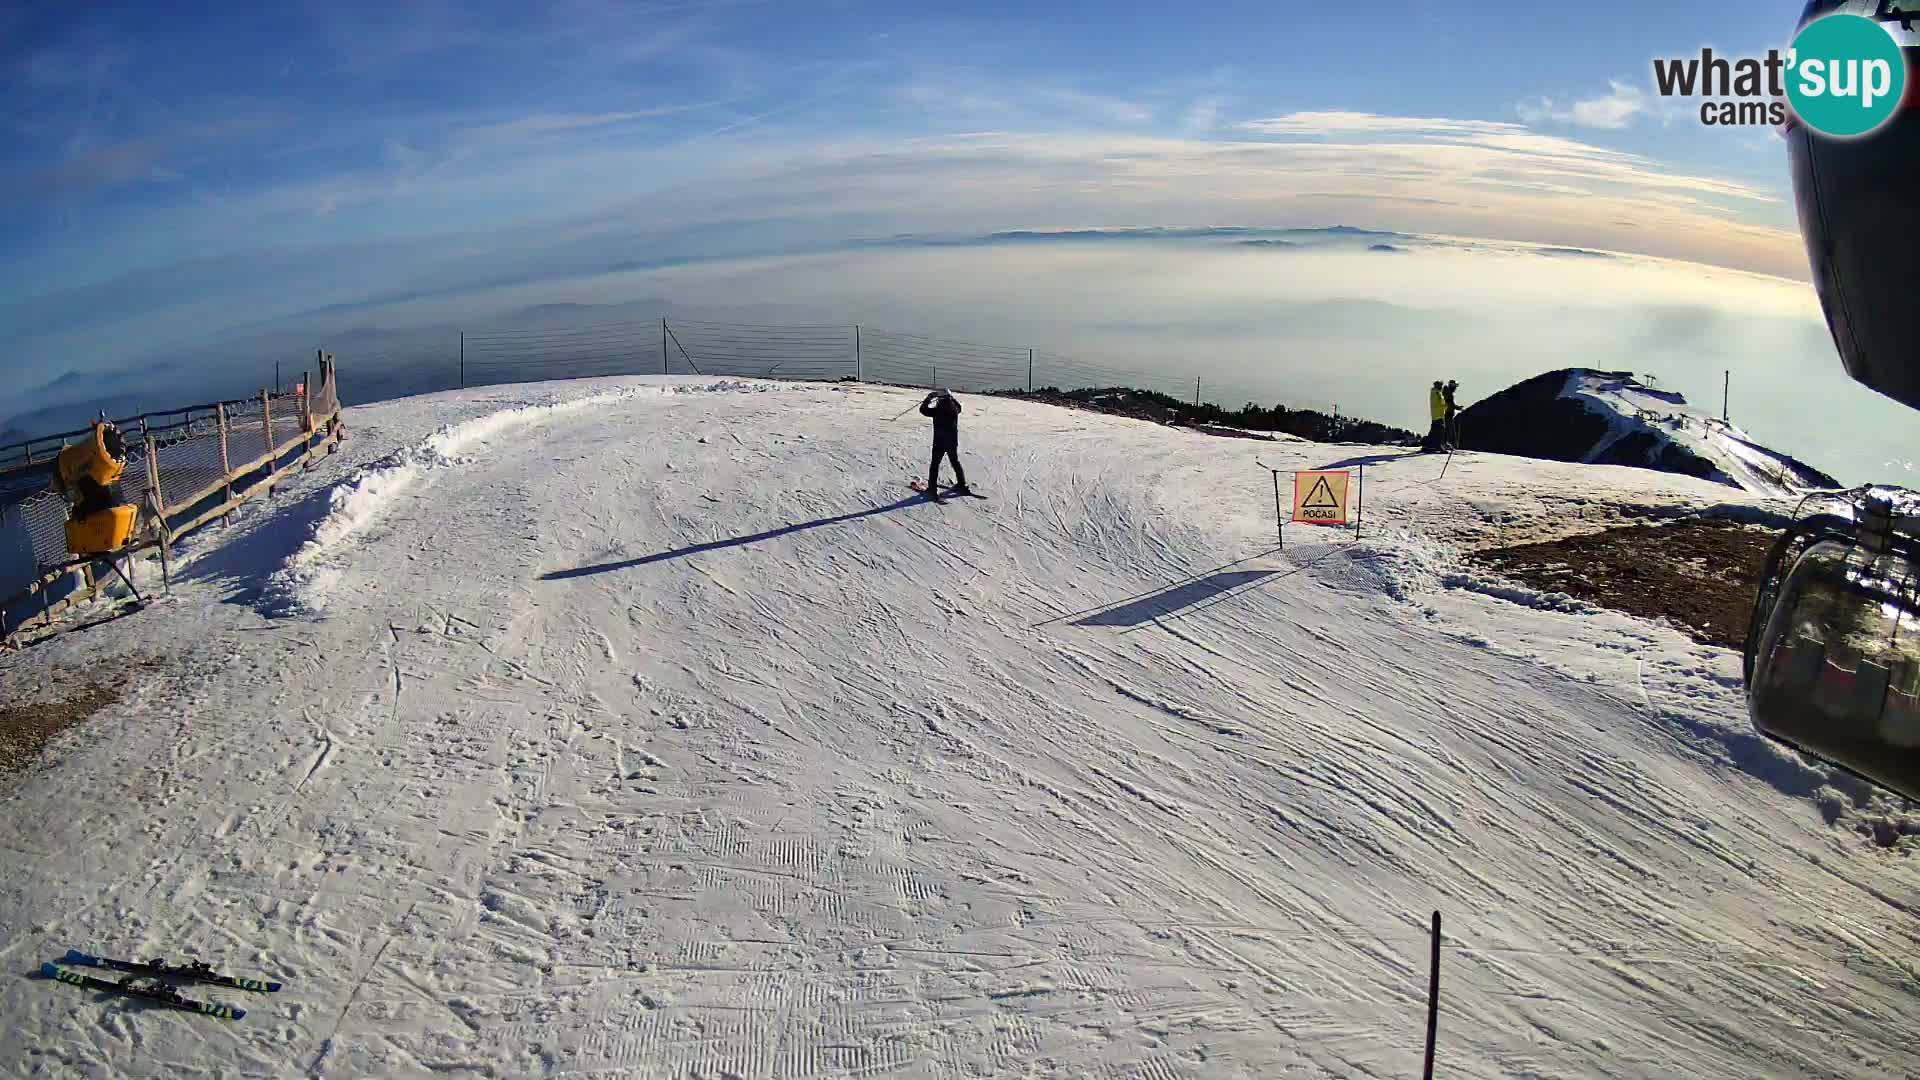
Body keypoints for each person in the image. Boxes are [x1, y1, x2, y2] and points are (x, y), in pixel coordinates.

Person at [919, 390, 969, 498]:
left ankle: (932, 489)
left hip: (939, 442)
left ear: (940, 400)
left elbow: (923, 410)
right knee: (955, 462)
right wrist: (951, 397)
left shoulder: (937, 410)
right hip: (952, 442)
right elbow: (959, 406)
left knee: (935, 465)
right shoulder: (955, 409)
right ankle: (961, 484)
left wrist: (929, 398)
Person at [1423, 380, 1448, 452]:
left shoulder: (1437, 393)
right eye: (1440, 385)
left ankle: (1430, 445)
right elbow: (1437, 405)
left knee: (1435, 430)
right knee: (1440, 431)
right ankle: (1437, 446)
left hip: (1438, 414)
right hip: (1438, 415)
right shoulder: (1436, 393)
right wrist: (1445, 405)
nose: (1441, 387)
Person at [1443, 379, 1461, 450]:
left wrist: (1457, 407)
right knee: (1448, 430)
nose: (1456, 388)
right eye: (1455, 387)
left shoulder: (1446, 392)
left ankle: (1444, 443)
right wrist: (1458, 408)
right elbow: (1450, 405)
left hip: (1446, 413)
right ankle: (1444, 443)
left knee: (1447, 430)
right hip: (1447, 414)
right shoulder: (1449, 394)